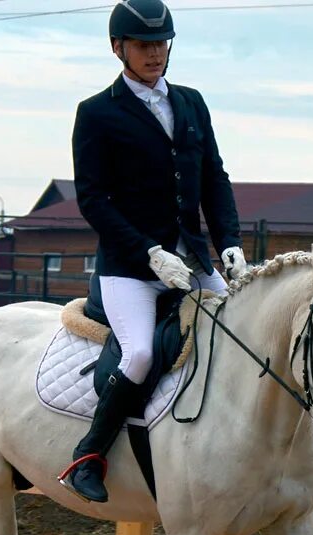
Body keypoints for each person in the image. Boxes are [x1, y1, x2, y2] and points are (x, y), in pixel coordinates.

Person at [58, 0, 247, 504]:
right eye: (144, 45)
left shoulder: (190, 102)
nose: (154, 53)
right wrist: (148, 252)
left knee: (242, 333)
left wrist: (229, 242)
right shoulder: (97, 113)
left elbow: (214, 179)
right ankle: (89, 455)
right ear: (118, 47)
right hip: (130, 269)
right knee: (140, 352)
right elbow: (93, 201)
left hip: (192, 261)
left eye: (161, 44)